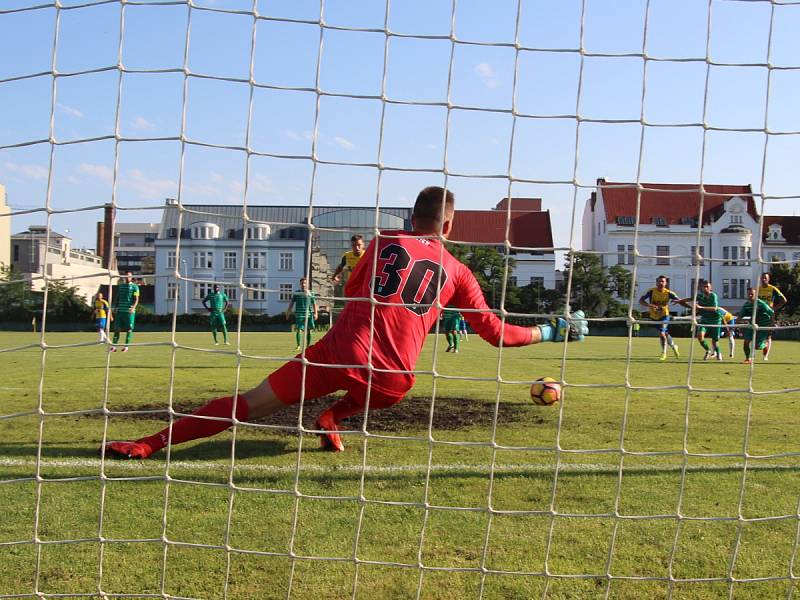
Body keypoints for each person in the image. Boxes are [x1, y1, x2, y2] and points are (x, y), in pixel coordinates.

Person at [102, 186, 588, 459]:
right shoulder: (459, 271)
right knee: (386, 393)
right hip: (393, 378)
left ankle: (147, 445)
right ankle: (335, 416)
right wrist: (552, 330)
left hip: (336, 352)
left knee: (243, 406)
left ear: (409, 216)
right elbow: (499, 335)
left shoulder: (379, 243)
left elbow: (352, 291)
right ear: (448, 227)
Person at [639, 275, 681, 360]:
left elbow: (679, 300)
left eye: (663, 281)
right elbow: (641, 300)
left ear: (666, 283)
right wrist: (649, 305)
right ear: (656, 282)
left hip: (665, 316)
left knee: (662, 333)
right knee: (664, 334)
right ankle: (674, 346)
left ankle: (664, 353)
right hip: (654, 316)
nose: (661, 283)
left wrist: (680, 302)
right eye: (659, 281)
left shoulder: (669, 293)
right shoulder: (651, 291)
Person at [679, 280, 723, 361]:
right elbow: (690, 299)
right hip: (704, 320)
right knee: (700, 336)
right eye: (704, 287)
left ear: (710, 288)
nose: (705, 288)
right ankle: (708, 350)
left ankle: (718, 353)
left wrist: (701, 307)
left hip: (715, 320)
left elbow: (715, 308)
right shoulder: (700, 296)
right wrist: (679, 301)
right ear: (701, 288)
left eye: (707, 287)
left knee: (715, 340)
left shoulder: (713, 296)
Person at [739, 286, 775, 365]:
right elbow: (740, 315)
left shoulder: (761, 304)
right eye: (749, 294)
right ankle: (748, 359)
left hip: (763, 325)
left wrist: (771, 326)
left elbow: (772, 313)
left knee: (757, 346)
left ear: (756, 294)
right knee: (746, 341)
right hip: (752, 325)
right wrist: (738, 322)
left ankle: (765, 344)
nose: (750, 296)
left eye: (752, 294)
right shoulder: (746, 305)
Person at [755, 272, 786, 361]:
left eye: (765, 278)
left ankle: (765, 356)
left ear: (768, 279)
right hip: (759, 315)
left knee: (768, 335)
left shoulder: (772, 289)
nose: (763, 279)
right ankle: (760, 348)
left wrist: (774, 309)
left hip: (769, 316)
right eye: (762, 278)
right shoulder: (758, 289)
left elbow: (784, 300)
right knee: (758, 335)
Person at [286, 277, 318, 352]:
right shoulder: (297, 293)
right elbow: (291, 303)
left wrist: (316, 313)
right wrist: (288, 312)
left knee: (309, 330)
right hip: (299, 314)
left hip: (309, 314)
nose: (303, 285)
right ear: (300, 284)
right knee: (299, 330)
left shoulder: (311, 293)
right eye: (302, 283)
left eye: (304, 283)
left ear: (307, 284)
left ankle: (308, 346)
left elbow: (314, 304)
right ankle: (298, 346)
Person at [109, 272, 139, 353]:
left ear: (131, 277)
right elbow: (117, 297)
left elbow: (136, 299)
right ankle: (114, 347)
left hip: (129, 312)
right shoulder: (121, 286)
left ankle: (126, 347)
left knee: (129, 329)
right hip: (120, 311)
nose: (127, 278)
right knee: (117, 329)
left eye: (128, 276)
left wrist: (133, 308)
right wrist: (115, 307)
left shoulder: (135, 287)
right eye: (126, 276)